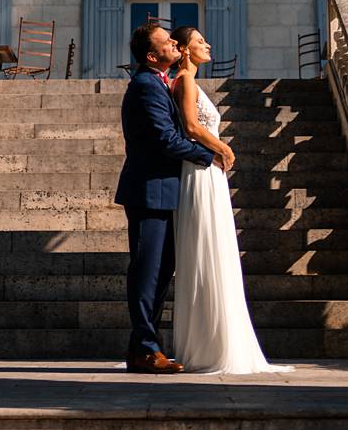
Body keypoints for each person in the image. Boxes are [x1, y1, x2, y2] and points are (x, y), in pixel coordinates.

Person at [170, 25, 289, 374]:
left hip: (208, 171)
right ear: (186, 50)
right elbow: (191, 127)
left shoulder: (190, 81)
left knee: (216, 249)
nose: (208, 44)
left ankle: (218, 340)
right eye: (200, 41)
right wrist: (223, 147)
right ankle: (209, 345)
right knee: (207, 247)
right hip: (200, 169)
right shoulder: (185, 81)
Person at [114, 19, 219, 373]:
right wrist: (209, 156)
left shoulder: (161, 82)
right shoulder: (145, 84)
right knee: (147, 273)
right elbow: (164, 139)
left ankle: (142, 348)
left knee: (161, 273)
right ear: (150, 55)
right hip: (149, 191)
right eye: (166, 41)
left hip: (166, 192)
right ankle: (145, 347)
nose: (175, 43)